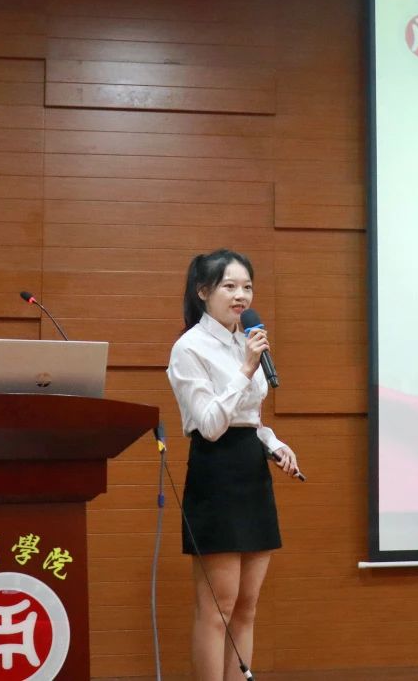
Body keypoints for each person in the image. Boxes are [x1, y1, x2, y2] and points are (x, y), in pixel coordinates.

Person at [167, 248, 300, 681]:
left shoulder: (248, 340)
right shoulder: (189, 348)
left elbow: (250, 419)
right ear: (203, 291)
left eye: (247, 286)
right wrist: (244, 370)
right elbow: (209, 425)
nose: (241, 295)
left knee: (246, 606)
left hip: (251, 471)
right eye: (229, 286)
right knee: (217, 608)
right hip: (216, 473)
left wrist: (274, 444)